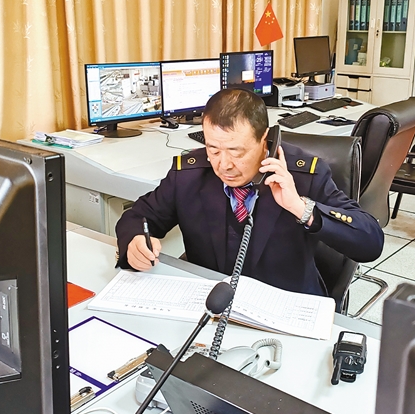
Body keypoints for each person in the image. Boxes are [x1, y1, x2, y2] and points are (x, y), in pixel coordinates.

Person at [115, 88, 384, 296]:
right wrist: (135, 241)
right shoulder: (189, 174)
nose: (224, 165)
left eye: (237, 151)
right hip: (211, 302)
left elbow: (370, 241)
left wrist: (301, 208)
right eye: (213, 149)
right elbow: (138, 217)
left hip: (285, 303)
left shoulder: (303, 175)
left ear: (265, 139)